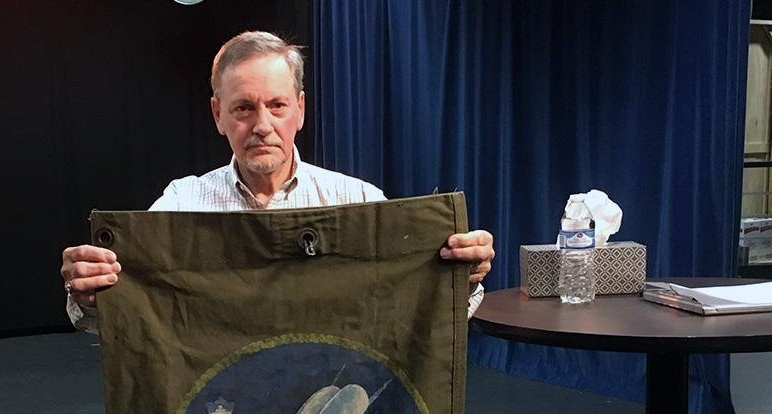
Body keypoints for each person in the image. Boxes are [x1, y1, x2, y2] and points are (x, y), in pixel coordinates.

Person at [61, 31, 495, 332]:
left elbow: (427, 308)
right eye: (244, 108)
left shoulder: (358, 200)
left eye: (277, 105)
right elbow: (125, 311)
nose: (262, 125)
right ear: (218, 115)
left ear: (300, 109)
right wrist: (90, 292)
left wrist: (463, 276)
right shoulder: (182, 203)